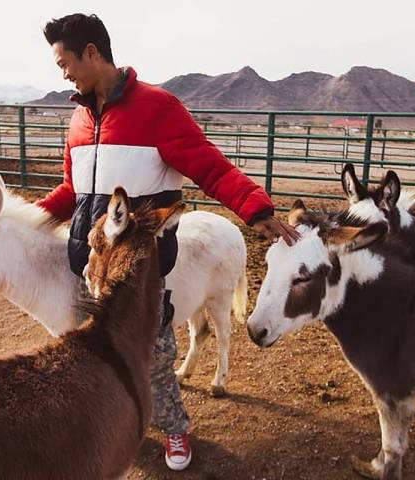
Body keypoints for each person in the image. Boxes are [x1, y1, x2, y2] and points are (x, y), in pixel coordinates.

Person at [36, 13, 298, 472]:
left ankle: (175, 429)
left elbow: (211, 167)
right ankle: (115, 425)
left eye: (65, 62)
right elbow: (72, 193)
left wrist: (256, 209)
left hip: (140, 275)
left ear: (92, 53)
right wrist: (21, 220)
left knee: (154, 356)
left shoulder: (158, 108)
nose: (62, 72)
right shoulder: (78, 119)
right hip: (88, 267)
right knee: (95, 355)